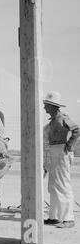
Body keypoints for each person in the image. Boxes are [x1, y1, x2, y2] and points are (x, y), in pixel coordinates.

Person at [43, 91, 79, 229]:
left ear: (52, 106)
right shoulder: (53, 121)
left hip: (61, 151)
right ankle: (54, 217)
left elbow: (76, 129)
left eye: (46, 105)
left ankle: (68, 218)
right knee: (53, 186)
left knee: (63, 185)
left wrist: (69, 145)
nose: (45, 108)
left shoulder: (62, 117)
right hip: (54, 152)